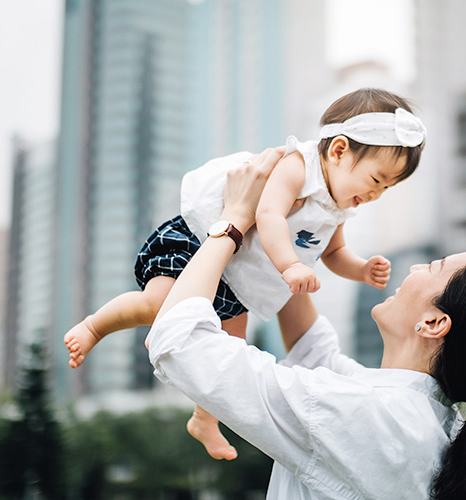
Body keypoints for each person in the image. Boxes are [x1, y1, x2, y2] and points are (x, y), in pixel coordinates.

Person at [147, 148, 466, 499]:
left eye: (434, 267)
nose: (418, 267)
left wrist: (233, 220)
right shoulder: (416, 418)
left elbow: (182, 343)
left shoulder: (370, 416)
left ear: (434, 322)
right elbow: (311, 350)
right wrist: (298, 226)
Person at [64, 88, 427, 460]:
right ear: (337, 150)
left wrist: (361, 269)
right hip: (199, 244)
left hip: (237, 281)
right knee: (160, 305)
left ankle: (205, 419)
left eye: (388, 187)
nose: (377, 194)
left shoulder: (336, 208)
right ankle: (95, 326)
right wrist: (290, 265)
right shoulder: (297, 167)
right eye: (377, 179)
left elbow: (333, 253)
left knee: (227, 354)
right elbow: (267, 215)